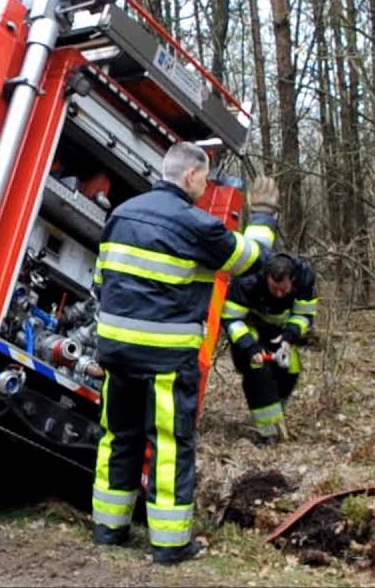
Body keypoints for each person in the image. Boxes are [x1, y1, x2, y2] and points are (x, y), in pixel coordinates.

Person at [90, 143, 279, 566]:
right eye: (205, 179)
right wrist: (263, 217)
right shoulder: (197, 225)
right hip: (165, 358)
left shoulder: (122, 213)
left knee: (117, 437)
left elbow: (102, 280)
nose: (206, 187)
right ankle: (171, 544)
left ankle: (108, 528)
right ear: (191, 176)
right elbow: (252, 260)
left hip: (116, 350)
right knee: (170, 444)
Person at [221, 253, 318, 445]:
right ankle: (267, 433)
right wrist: (250, 347)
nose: (279, 294)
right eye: (274, 289)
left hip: (280, 331)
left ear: (293, 280)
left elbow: (304, 314)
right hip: (249, 328)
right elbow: (232, 319)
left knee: (291, 370)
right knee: (259, 373)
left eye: (284, 290)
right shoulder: (247, 281)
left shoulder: (305, 279)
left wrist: (289, 337)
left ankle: (277, 413)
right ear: (267, 278)